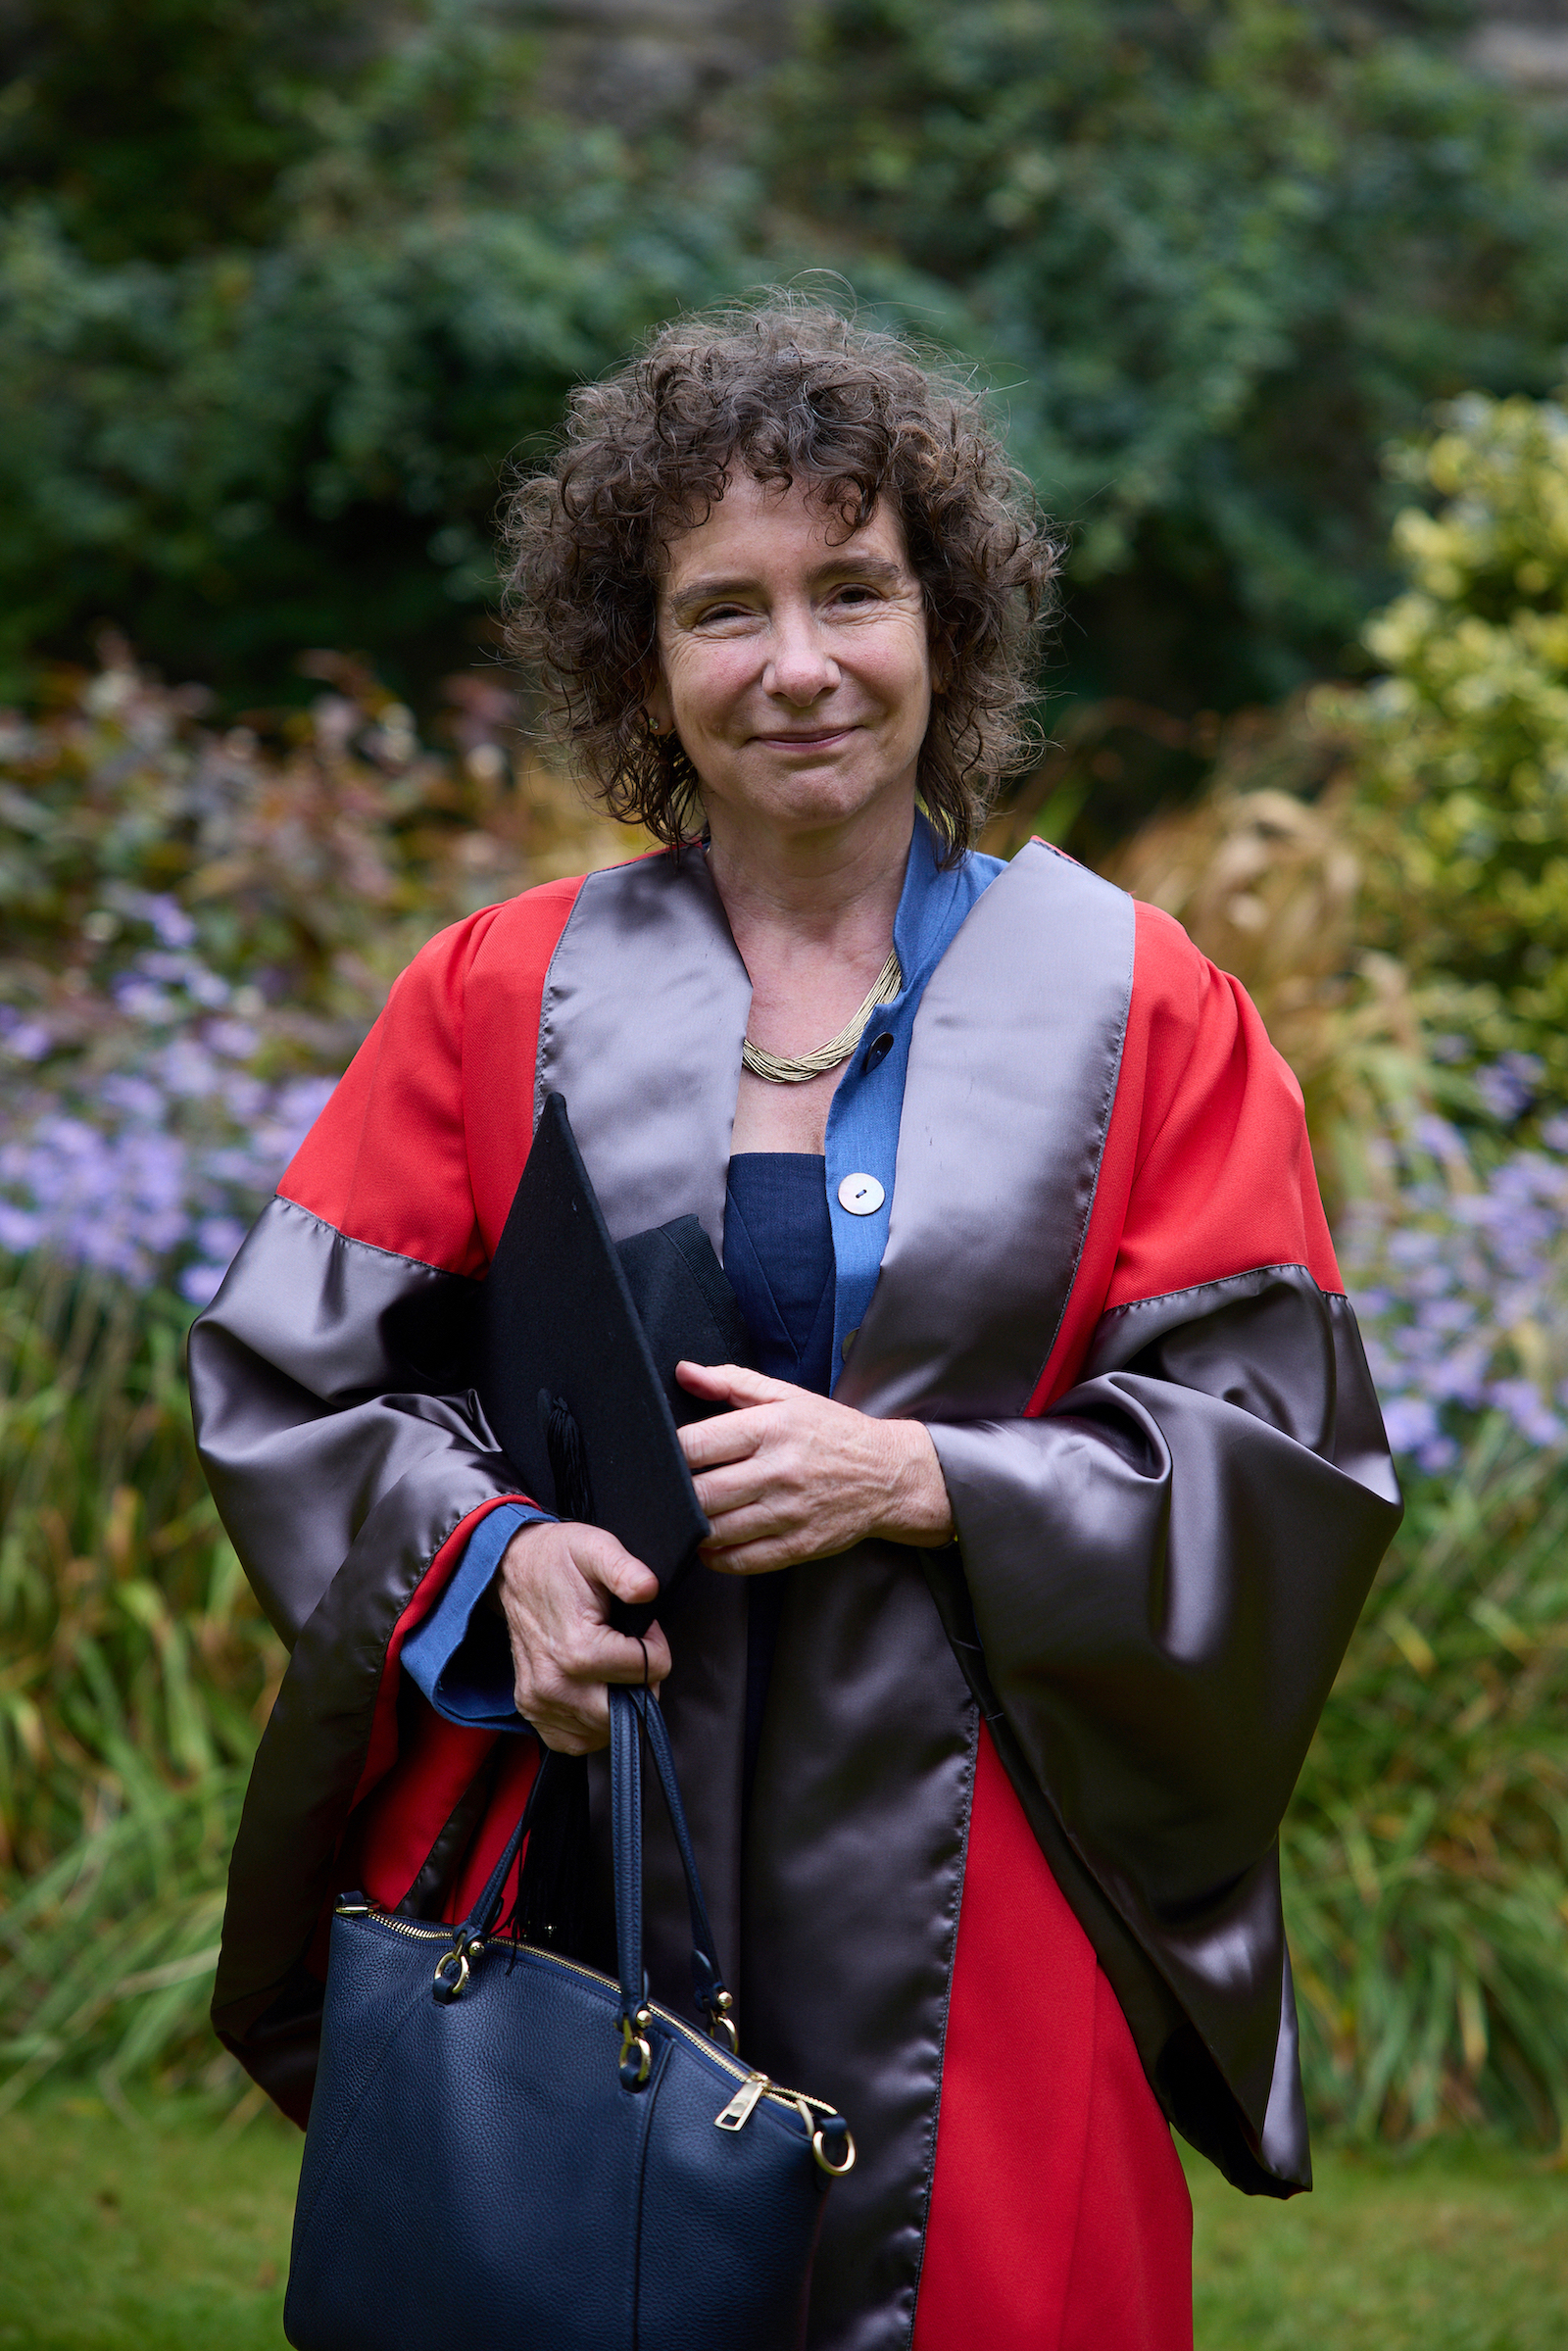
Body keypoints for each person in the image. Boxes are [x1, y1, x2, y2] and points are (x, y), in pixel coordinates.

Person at [190, 297, 1401, 2351]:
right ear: (640, 662)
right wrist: (497, 1562)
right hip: (592, 1849)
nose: (800, 666)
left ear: (945, 620)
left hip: (985, 1894)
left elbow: (1273, 1450)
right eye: (721, 611)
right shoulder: (500, 994)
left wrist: (932, 1477)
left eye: (852, 589)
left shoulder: (1140, 1004)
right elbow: (300, 1380)